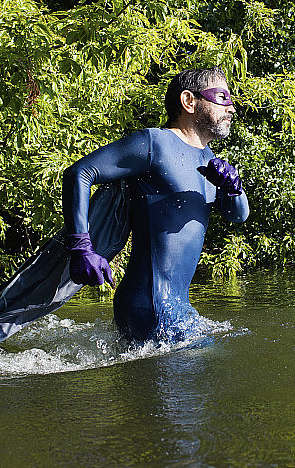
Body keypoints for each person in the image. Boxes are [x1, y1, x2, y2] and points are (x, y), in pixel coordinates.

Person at [62, 67, 250, 342]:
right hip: (149, 305)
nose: (231, 108)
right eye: (222, 98)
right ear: (189, 101)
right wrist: (81, 246)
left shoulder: (209, 160)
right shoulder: (153, 143)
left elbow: (238, 216)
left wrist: (234, 189)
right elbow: (79, 173)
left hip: (177, 306)